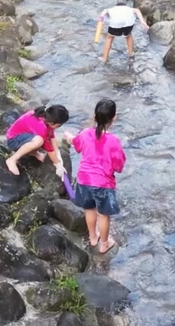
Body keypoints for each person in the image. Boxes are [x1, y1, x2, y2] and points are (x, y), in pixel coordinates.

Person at [63, 99, 126, 254]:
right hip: (103, 184)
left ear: (94, 116)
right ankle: (104, 244)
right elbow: (119, 167)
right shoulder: (114, 141)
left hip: (84, 180)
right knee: (103, 215)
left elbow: (76, 145)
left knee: (89, 209)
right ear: (114, 118)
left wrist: (68, 137)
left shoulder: (85, 133)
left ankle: (92, 237)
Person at [4, 104, 70, 176]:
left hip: (24, 137)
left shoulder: (46, 118)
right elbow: (49, 149)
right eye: (59, 125)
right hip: (13, 140)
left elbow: (51, 137)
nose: (59, 127)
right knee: (39, 141)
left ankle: (33, 152)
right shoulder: (41, 126)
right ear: (52, 122)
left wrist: (58, 153)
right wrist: (57, 164)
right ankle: (12, 159)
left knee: (39, 140)